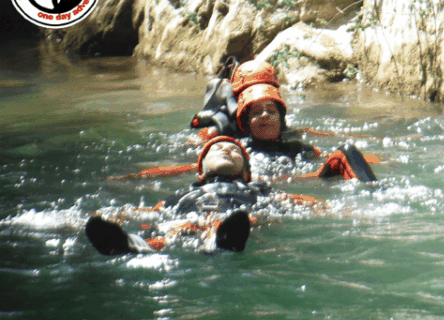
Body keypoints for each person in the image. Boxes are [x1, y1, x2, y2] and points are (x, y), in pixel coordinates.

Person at [86, 136, 320, 255]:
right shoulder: (182, 195)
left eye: (235, 151)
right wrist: (114, 215)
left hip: (239, 222)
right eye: (216, 149)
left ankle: (219, 240)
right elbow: (152, 214)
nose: (226, 149)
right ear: (200, 169)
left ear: (247, 173)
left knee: (244, 219)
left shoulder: (257, 189)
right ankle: (134, 244)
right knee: (174, 231)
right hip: (189, 222)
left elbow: (299, 201)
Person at [189, 58, 379, 182]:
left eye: (271, 110)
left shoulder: (296, 145)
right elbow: (201, 161)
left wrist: (380, 158)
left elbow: (325, 154)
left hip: (294, 179)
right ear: (245, 120)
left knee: (348, 152)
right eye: (256, 112)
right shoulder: (230, 143)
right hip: (262, 186)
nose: (265, 115)